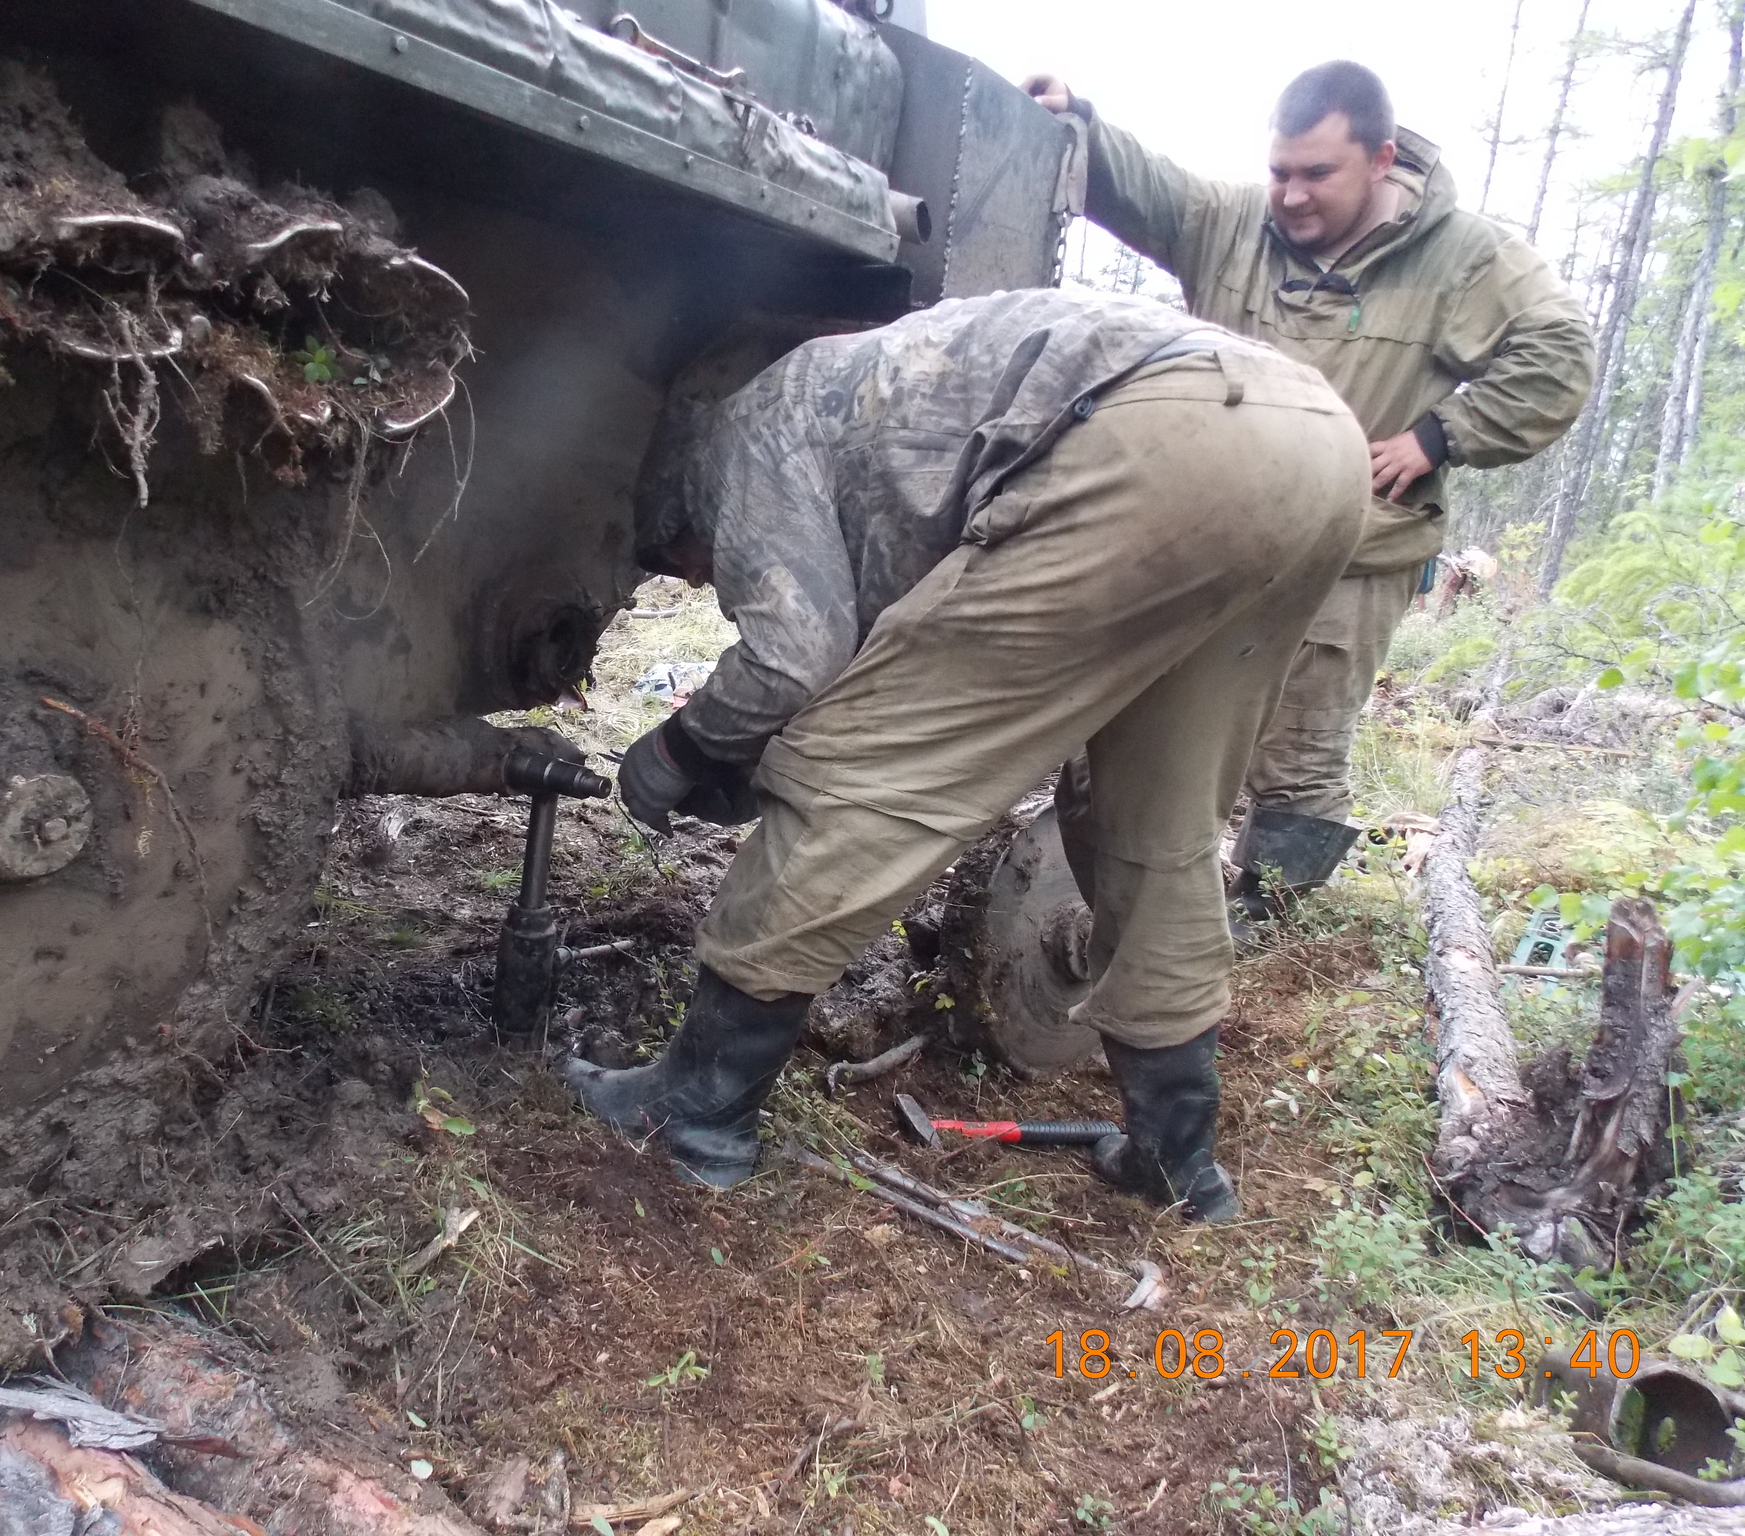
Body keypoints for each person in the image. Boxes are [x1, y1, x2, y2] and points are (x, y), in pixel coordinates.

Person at [564, 288, 1369, 1218]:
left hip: (1156, 437)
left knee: (856, 773)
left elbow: (792, 657)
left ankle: (696, 1114)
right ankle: (1176, 1157)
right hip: (1315, 441)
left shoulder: (737, 439)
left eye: (695, 565)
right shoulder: (850, 396)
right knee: (1153, 824)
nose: (710, 579)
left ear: (678, 511)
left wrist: (678, 748)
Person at [1024, 61, 1594, 929]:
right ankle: (1133, 924)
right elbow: (1146, 188)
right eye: (1280, 171)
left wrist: (1440, 435)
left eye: (1316, 174)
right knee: (1124, 735)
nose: (1290, 195)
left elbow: (1559, 356)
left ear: (1381, 158)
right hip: (1211, 541)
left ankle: (1261, 934)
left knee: (1295, 757)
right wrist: (1079, 123)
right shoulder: (1230, 223)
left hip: (1353, 552)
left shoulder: (1464, 257)